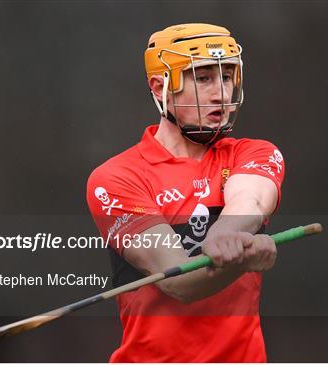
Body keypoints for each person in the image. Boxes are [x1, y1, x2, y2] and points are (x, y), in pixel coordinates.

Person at [87, 23, 285, 362]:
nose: (221, 94)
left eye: (226, 77)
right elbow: (178, 282)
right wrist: (241, 261)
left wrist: (225, 233)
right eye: (203, 78)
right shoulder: (116, 177)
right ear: (160, 87)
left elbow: (249, 200)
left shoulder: (253, 152)